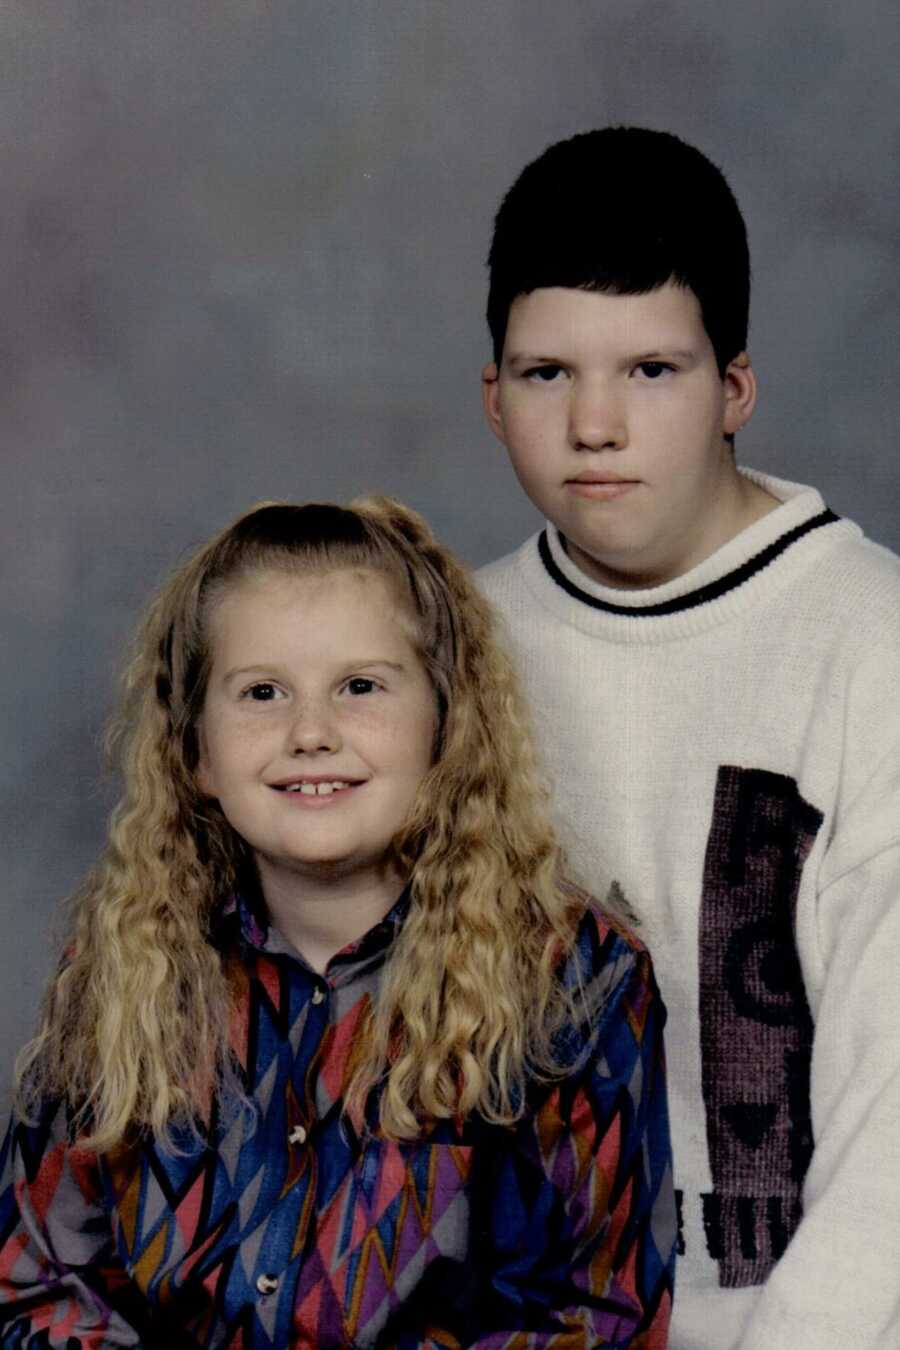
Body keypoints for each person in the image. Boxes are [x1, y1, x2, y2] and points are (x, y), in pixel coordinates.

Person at [0, 496, 675, 1347]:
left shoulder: (574, 980)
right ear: (196, 752)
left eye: (359, 687)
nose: (310, 732)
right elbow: (37, 1286)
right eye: (262, 692)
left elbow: (593, 1315)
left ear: (446, 727)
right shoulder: (125, 971)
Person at [476, 126, 900, 1350]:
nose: (596, 424)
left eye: (652, 371)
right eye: (548, 374)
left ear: (736, 389)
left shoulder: (866, 643)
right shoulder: (446, 642)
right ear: (492, 398)